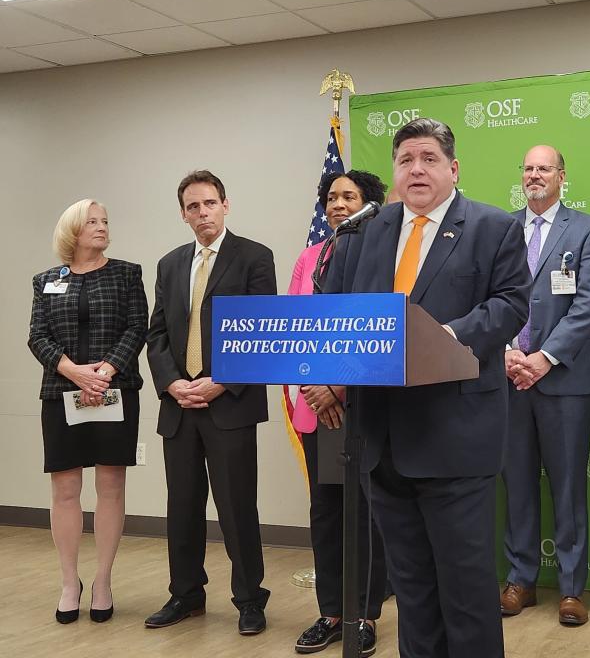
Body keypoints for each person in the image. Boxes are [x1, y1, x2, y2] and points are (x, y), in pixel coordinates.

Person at [323, 118, 529, 658]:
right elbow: (336, 312)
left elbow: (511, 304)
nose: (416, 169)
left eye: (429, 158)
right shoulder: (362, 232)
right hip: (381, 441)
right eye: (405, 160)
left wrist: (444, 335)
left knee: (465, 590)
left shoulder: (493, 227)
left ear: (453, 168)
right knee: (411, 589)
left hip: (455, 439)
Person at [145, 170, 277, 636]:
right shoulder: (169, 264)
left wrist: (222, 380)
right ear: (183, 214)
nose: (203, 213)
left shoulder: (254, 258)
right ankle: (186, 594)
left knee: (237, 506)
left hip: (230, 403)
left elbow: (263, 330)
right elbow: (156, 332)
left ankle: (249, 599)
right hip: (180, 407)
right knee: (181, 506)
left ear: (226, 204)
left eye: (209, 204)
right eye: (193, 207)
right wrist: (171, 383)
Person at [499, 145, 590, 626]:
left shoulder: (586, 229)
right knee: (516, 483)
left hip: (563, 379)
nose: (535, 175)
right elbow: (488, 296)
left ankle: (570, 588)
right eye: (528, 168)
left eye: (544, 168)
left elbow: (588, 304)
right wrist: (505, 351)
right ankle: (520, 579)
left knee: (567, 488)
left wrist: (543, 357)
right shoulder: (500, 228)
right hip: (506, 379)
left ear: (562, 176)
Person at [28, 199, 148, 624]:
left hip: (115, 390)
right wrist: (75, 372)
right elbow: (37, 337)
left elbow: (138, 327)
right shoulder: (47, 280)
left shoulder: (126, 273)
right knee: (65, 490)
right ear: (72, 231)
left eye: (104, 221)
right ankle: (68, 582)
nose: (101, 227)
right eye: (91, 222)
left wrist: (105, 371)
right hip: (61, 390)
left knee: (111, 485)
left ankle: (102, 580)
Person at [289, 170, 389, 656]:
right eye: (331, 197)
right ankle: (330, 611)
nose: (337, 205)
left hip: (362, 405)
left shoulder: (383, 255)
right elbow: (293, 329)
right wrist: (313, 388)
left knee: (367, 514)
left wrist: (339, 389)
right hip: (315, 407)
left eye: (349, 196)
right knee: (326, 513)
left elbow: (379, 333)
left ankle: (365, 615)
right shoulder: (310, 257)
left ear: (370, 204)